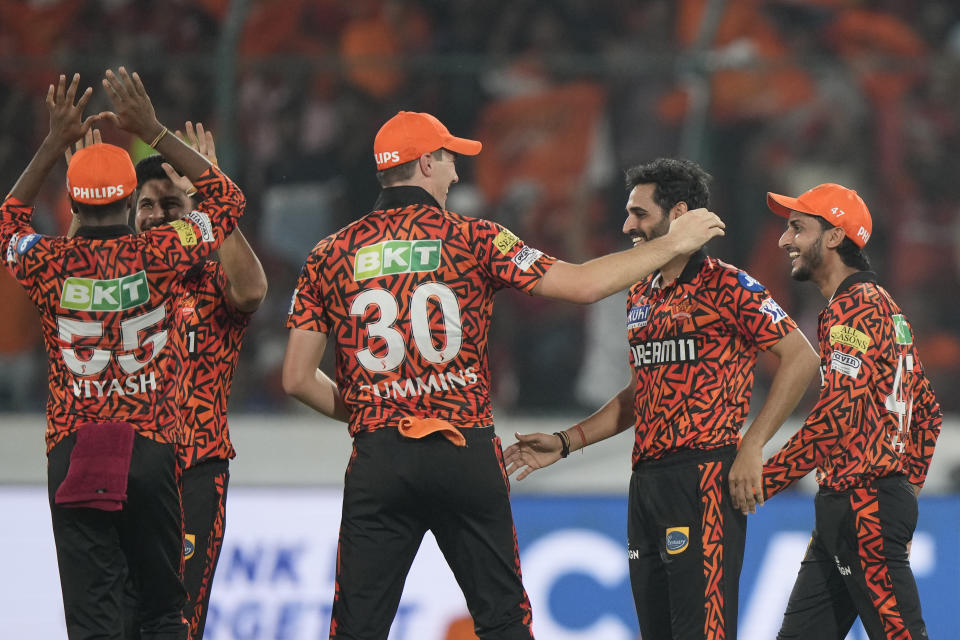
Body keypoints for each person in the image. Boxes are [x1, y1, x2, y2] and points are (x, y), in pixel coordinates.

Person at [281, 112, 726, 640]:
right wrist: (673, 244)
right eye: (448, 158)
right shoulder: (476, 239)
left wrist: (379, 415)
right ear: (425, 163)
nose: (455, 171)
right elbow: (582, 285)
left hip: (380, 456)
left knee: (356, 629)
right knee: (503, 623)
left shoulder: (328, 254)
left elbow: (295, 379)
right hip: (462, 453)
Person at [504, 158, 820, 640]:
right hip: (647, 482)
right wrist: (567, 442)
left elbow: (800, 357)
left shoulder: (728, 284)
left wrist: (753, 447)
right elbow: (641, 394)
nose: (627, 224)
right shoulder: (641, 293)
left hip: (704, 479)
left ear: (678, 213)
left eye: (639, 214)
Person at [0, 69, 245, 639]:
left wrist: (52, 144)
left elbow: (8, 219)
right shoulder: (165, 252)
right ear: (133, 200)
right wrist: (154, 131)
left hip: (75, 452)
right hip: (154, 454)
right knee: (163, 611)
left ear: (72, 205)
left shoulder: (46, 263)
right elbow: (226, 198)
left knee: (95, 619)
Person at [759, 183, 941, 640]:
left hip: (864, 503)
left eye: (797, 228)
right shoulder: (886, 308)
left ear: (836, 236)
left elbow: (837, 415)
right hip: (852, 504)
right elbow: (928, 413)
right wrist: (905, 485)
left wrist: (762, 481)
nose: (784, 241)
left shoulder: (854, 308)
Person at [130, 123, 267, 640]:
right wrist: (82, 210)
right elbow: (66, 291)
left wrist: (211, 200)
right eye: (148, 204)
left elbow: (252, 289)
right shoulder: (117, 282)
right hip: (120, 468)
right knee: (112, 618)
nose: (159, 214)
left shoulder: (212, 280)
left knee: (179, 625)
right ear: (130, 214)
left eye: (173, 205)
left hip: (194, 470)